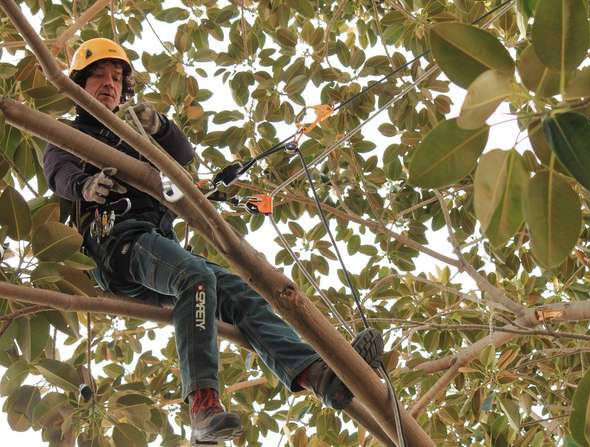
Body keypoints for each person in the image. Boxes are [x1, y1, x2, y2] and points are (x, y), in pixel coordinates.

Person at [43, 38, 381, 445]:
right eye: (98, 75)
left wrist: (159, 127)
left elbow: (181, 155)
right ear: (79, 83)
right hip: (117, 243)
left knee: (239, 292)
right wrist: (86, 187)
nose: (109, 84)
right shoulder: (67, 133)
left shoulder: (133, 133)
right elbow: (59, 174)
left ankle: (317, 375)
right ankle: (203, 406)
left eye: (116, 77)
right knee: (197, 277)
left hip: (156, 244)